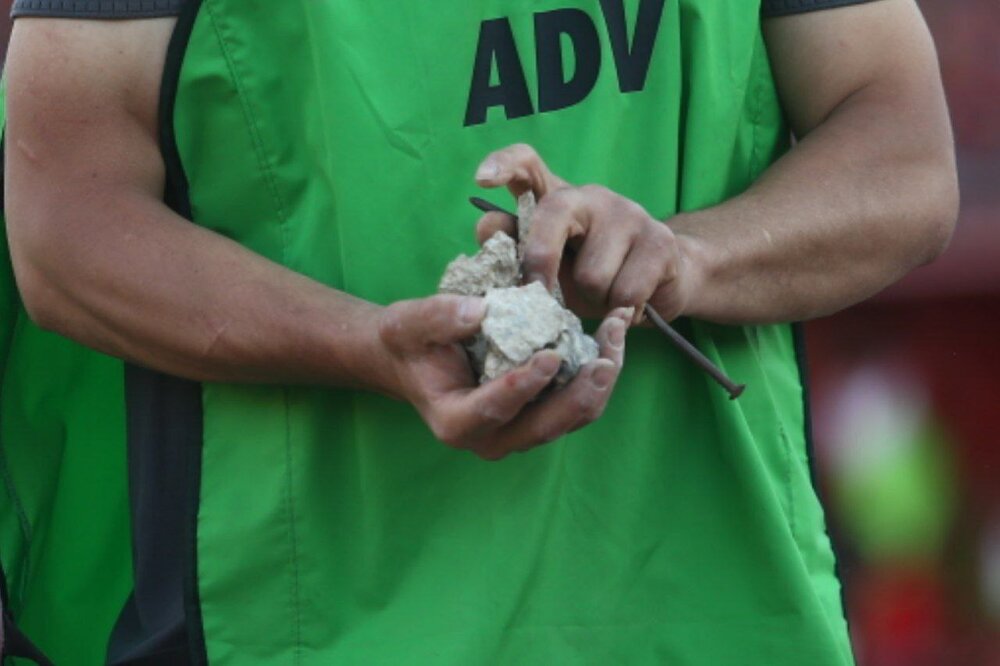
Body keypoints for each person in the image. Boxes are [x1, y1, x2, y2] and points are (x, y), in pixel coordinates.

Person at [0, 0, 957, 663]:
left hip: (714, 613)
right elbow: (62, 227)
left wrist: (684, 256)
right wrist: (359, 341)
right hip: (313, 622)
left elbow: (904, 155)